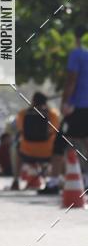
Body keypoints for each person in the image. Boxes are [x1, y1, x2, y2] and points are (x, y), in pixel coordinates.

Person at [42, 25, 88, 194]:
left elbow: (71, 80)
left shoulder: (77, 54)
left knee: (59, 143)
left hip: (79, 106)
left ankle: (53, 182)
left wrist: (65, 102)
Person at [9, 92, 59, 191]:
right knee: (60, 148)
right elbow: (55, 131)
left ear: (33, 101)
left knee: (15, 147)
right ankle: (57, 180)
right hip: (48, 153)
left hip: (27, 152)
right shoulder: (53, 114)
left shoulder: (23, 113)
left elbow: (20, 129)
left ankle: (16, 180)